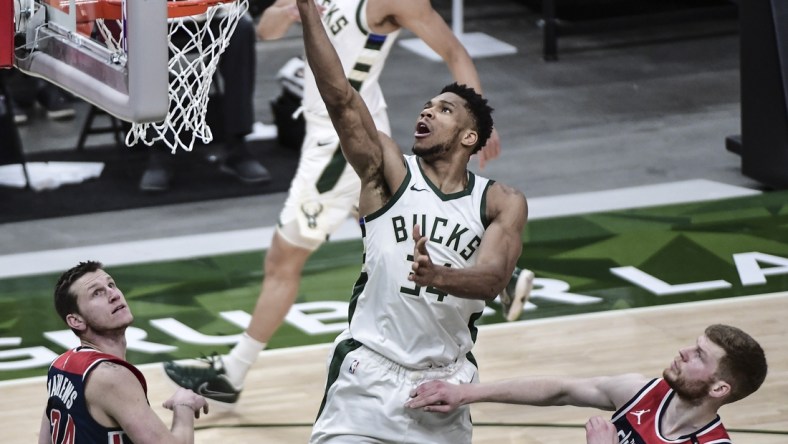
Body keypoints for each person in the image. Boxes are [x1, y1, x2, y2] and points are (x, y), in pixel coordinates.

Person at [163, 0, 534, 407]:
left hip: (344, 146)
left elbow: (454, 52)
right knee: (401, 232)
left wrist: (480, 125)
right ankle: (503, 278)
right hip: (333, 134)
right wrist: (289, 11)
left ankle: (232, 372)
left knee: (283, 259)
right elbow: (266, 30)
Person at [405, 324, 768, 444]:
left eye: (700, 356)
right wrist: (465, 393)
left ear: (720, 389)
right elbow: (560, 389)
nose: (684, 352)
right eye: (693, 345)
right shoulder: (641, 393)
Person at [39, 261, 210, 443]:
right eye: (97, 293)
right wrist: (183, 406)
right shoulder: (111, 377)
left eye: (111, 285)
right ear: (76, 320)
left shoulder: (60, 366)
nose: (113, 295)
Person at [139, 11, 272, 192]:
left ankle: (237, 146)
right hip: (153, 18)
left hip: (210, 15)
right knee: (141, 34)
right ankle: (160, 150)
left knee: (241, 26)